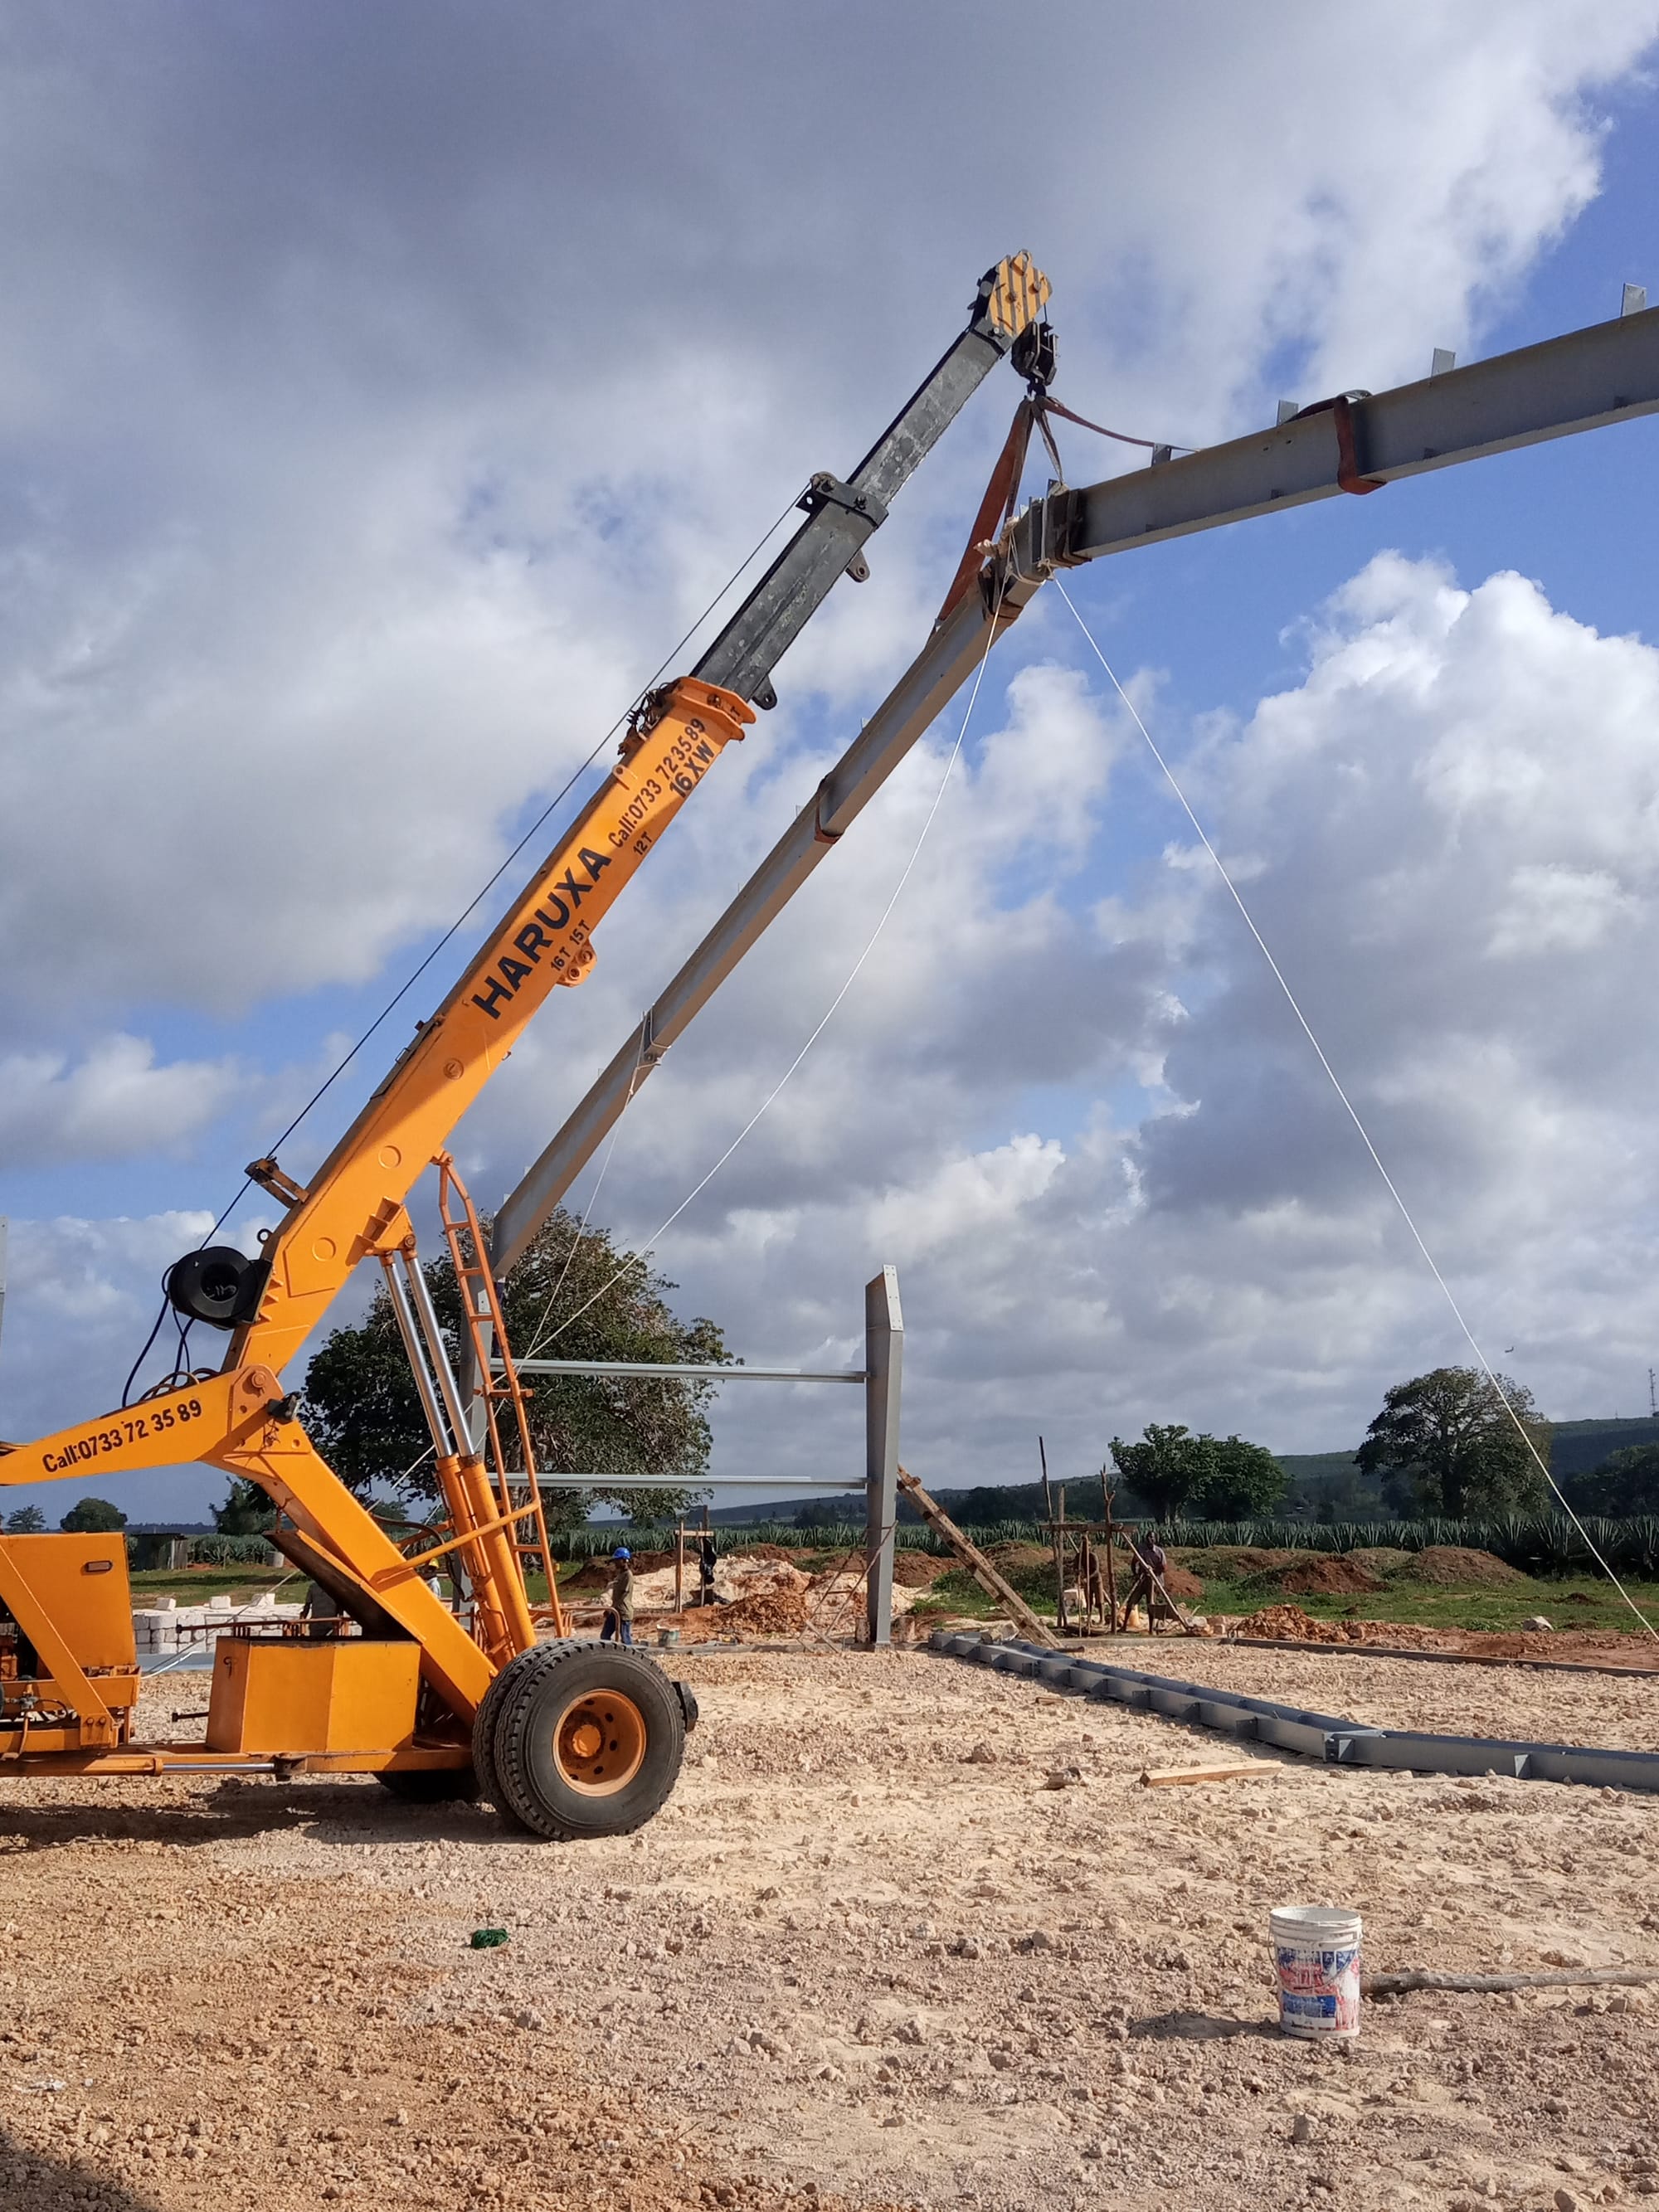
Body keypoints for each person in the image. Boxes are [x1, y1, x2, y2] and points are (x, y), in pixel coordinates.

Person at [601, 1547, 635, 1647]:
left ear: (624, 1560)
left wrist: (612, 1608)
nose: (615, 1563)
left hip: (623, 1612)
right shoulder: (620, 1575)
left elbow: (624, 1595)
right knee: (605, 1635)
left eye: (617, 1560)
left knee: (625, 1638)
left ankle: (631, 1657)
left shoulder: (628, 1575)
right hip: (615, 1610)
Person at [698, 1532, 718, 1608]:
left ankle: (703, 1601)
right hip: (708, 1561)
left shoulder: (710, 1562)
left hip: (708, 1561)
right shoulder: (710, 1562)